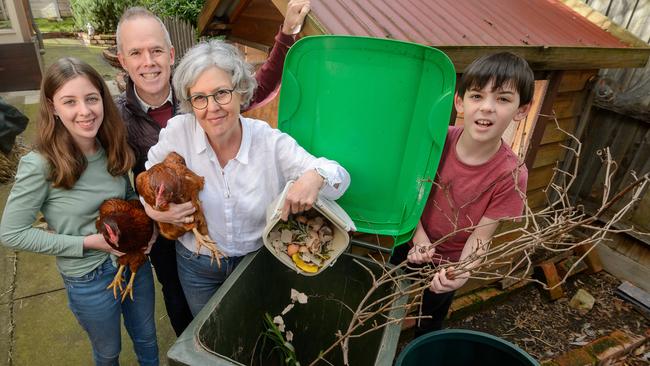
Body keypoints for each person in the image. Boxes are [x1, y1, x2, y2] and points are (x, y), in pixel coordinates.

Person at [114, 1, 311, 335]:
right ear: (123, 60)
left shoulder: (201, 93)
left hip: (237, 247)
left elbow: (253, 85)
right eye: (136, 53)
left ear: (171, 54)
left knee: (257, 329)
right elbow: (126, 178)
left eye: (156, 50)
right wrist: (151, 214)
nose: (148, 62)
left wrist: (287, 34)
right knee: (186, 312)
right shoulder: (120, 118)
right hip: (170, 235)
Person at [141, 39, 350, 316]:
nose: (212, 107)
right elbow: (147, 179)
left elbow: (339, 177)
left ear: (241, 91)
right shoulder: (179, 133)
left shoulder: (269, 142)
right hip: (197, 266)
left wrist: (314, 176)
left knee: (258, 333)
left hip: (256, 263)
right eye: (200, 98)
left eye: (222, 93)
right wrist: (154, 213)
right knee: (209, 340)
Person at [0, 58, 158, 365]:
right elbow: (11, 233)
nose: (85, 111)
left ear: (103, 99)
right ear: (53, 107)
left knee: (147, 338)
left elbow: (127, 197)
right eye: (69, 101)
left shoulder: (109, 145)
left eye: (91, 99)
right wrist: (86, 243)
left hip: (132, 263)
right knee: (108, 352)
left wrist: (146, 232)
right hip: (89, 278)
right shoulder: (40, 164)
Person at [391, 52, 533, 336]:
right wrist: (417, 238)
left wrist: (463, 272)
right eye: (477, 96)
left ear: (521, 110)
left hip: (450, 261)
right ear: (459, 101)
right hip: (407, 236)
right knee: (384, 297)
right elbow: (406, 192)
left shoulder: (512, 173)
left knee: (430, 320)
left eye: (503, 99)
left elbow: (482, 236)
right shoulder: (436, 141)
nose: (488, 108)